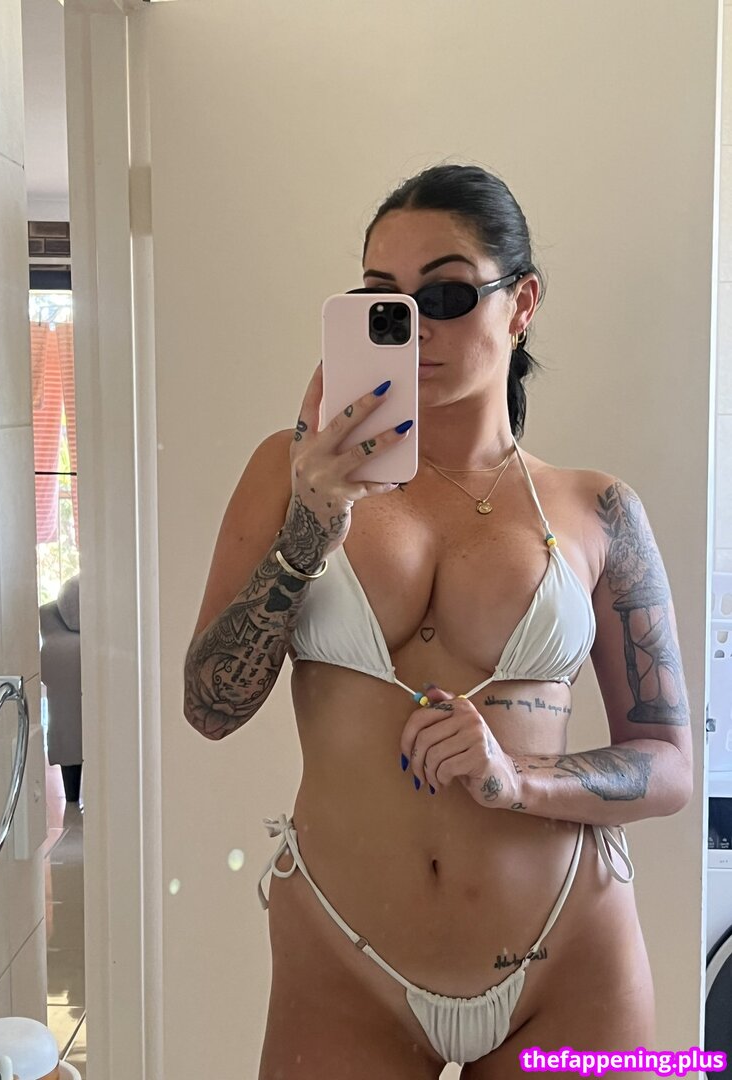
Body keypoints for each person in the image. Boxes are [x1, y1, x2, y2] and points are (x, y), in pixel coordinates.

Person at [183, 164, 693, 1079]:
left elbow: (668, 764)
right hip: (344, 964)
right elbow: (209, 708)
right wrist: (308, 532)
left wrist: (518, 781)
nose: (414, 325)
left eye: (447, 295)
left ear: (522, 303)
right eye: (383, 300)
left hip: (569, 957)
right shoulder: (291, 474)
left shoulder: (598, 510)